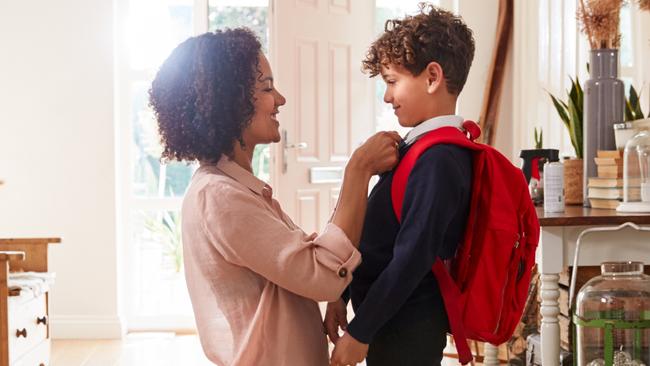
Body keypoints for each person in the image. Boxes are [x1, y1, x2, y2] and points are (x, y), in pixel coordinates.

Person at [148, 28, 401, 366]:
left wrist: (336, 296)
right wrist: (359, 169)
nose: (279, 99)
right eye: (266, 87)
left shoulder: (235, 188)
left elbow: (304, 264)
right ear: (230, 101)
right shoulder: (221, 197)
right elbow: (323, 274)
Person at [326, 4, 476, 366]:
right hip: (391, 320)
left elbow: (412, 257)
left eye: (392, 82)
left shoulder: (439, 159)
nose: (387, 96)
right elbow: (378, 236)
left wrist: (362, 330)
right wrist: (340, 294)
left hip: (409, 326)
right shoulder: (419, 151)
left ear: (432, 77)